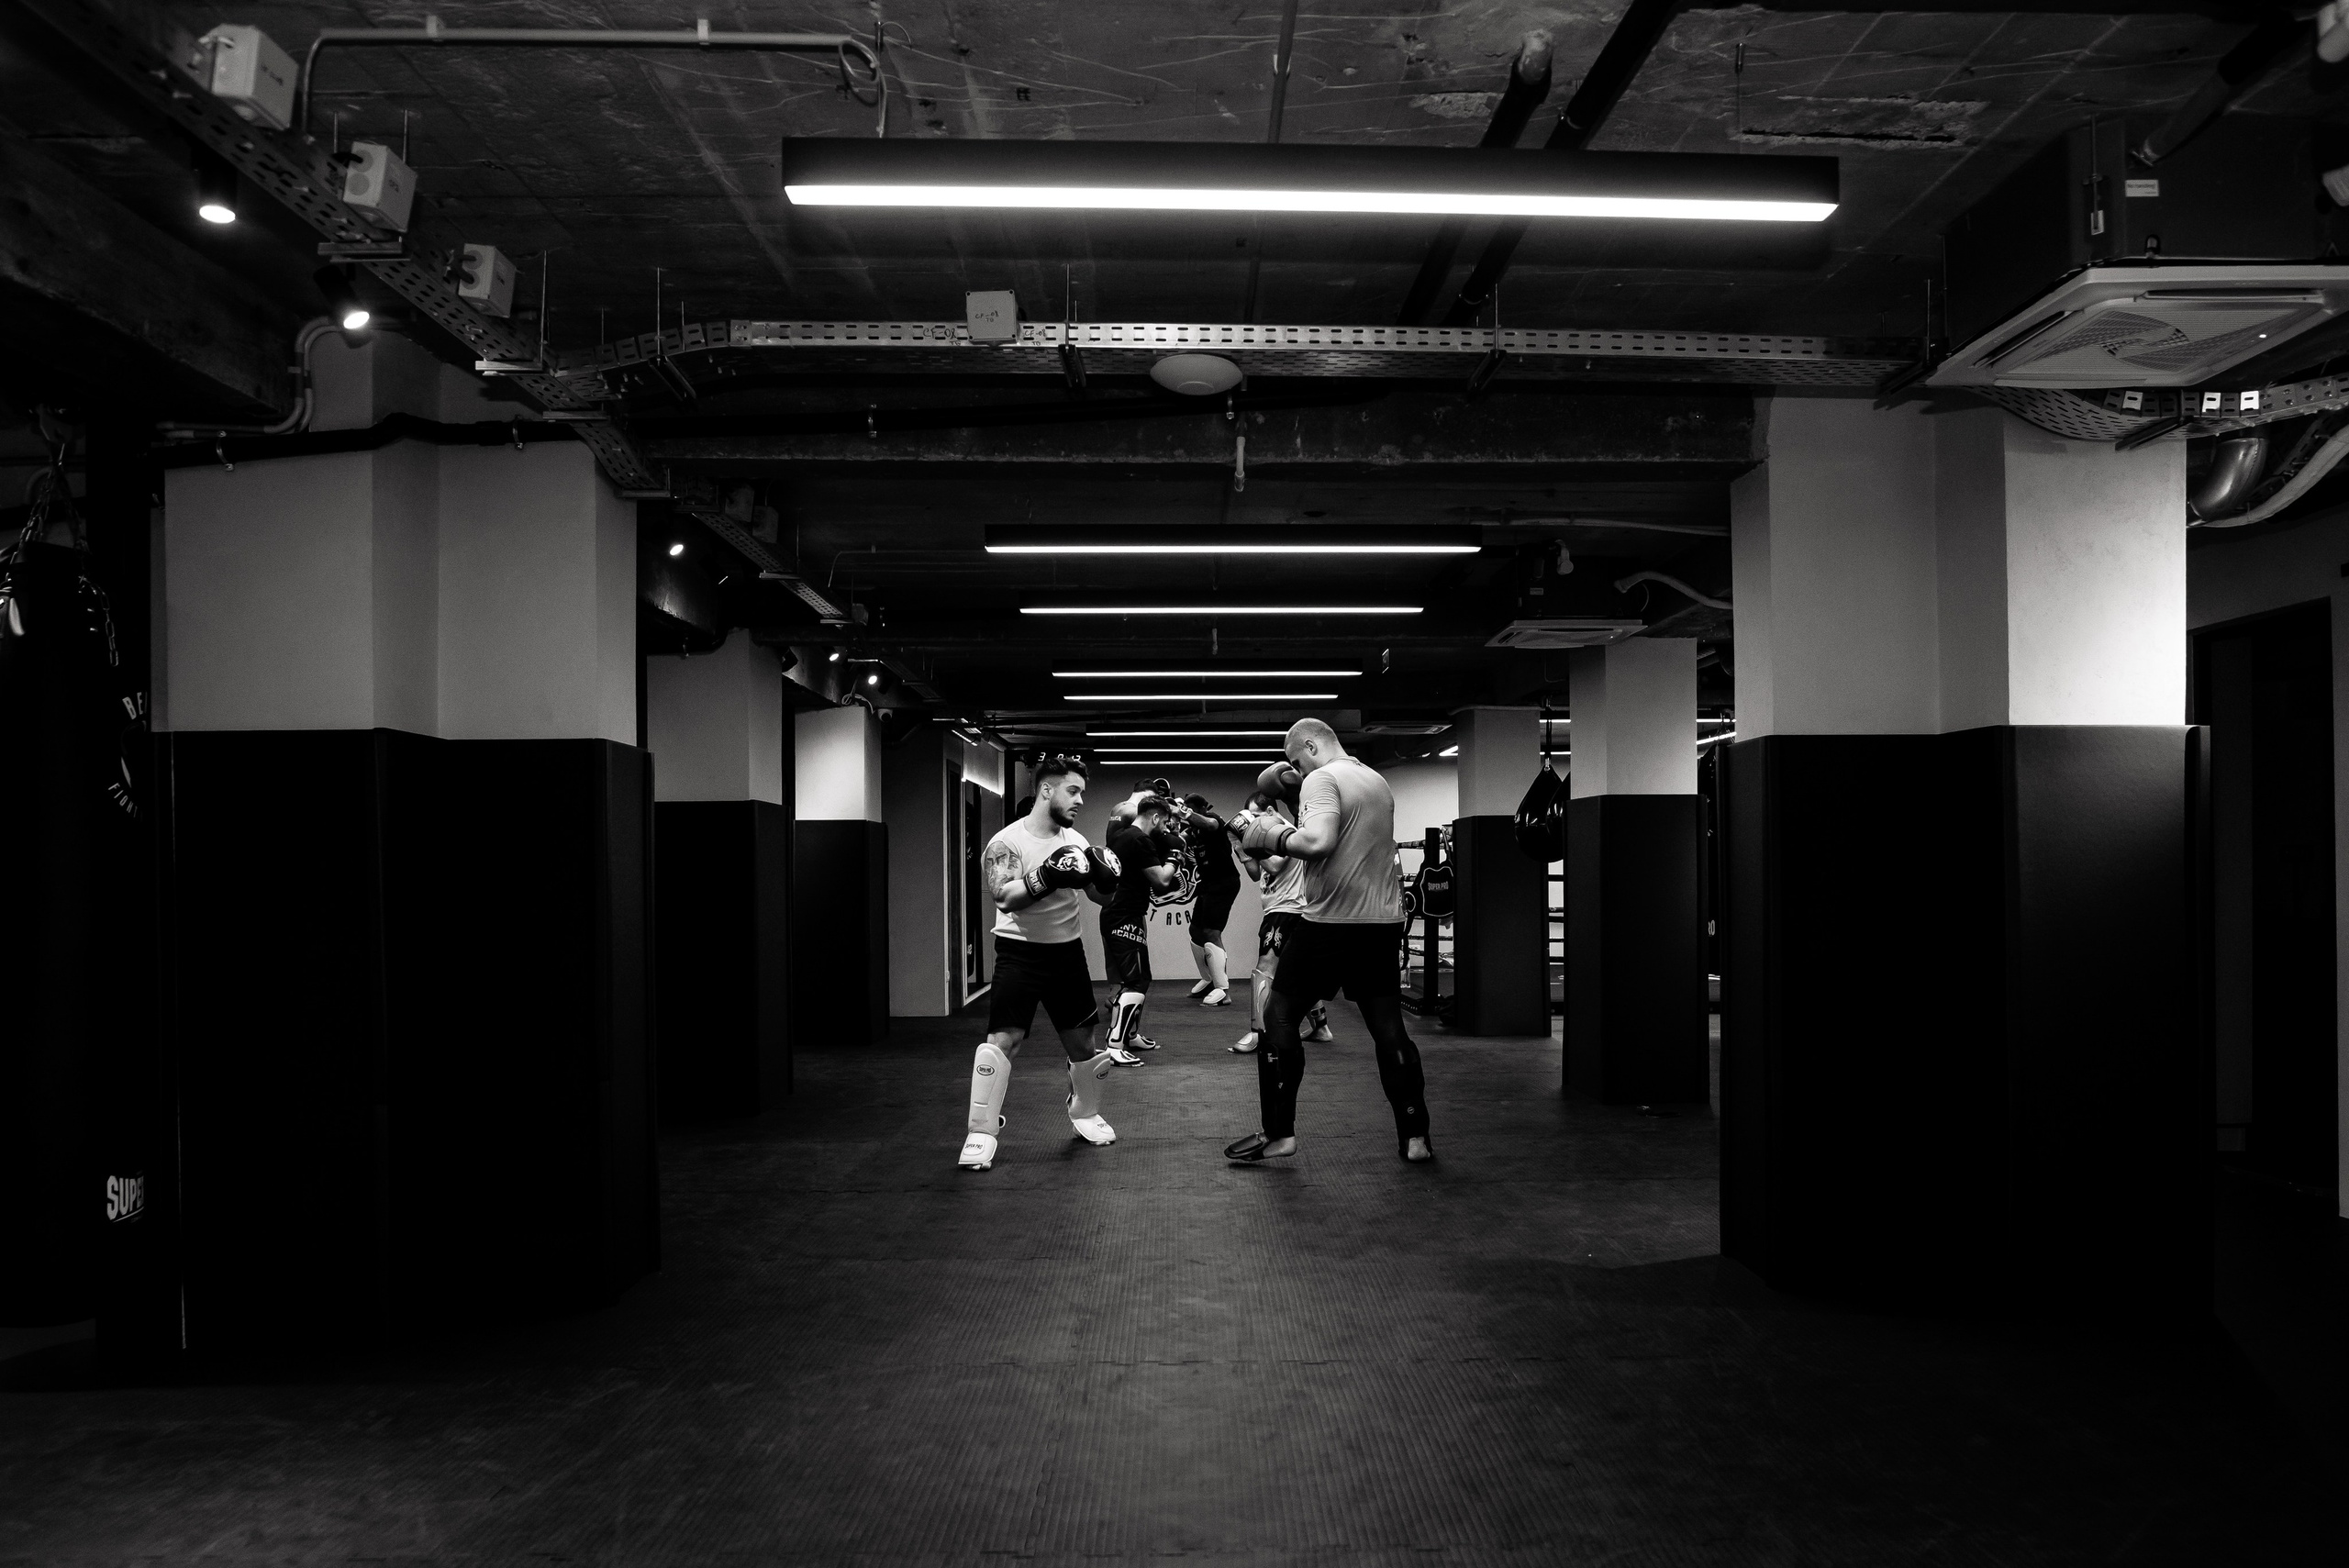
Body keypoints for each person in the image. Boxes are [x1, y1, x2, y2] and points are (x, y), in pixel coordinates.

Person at [1226, 719, 1434, 1164]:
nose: (1296, 772)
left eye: (1296, 762)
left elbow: (1319, 842)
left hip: (1330, 921)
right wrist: (1290, 807)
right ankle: (1416, 1137)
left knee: (1278, 1015)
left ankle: (1279, 1134)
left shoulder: (1321, 778)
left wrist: (1269, 833)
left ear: (1310, 746)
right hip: (1382, 922)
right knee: (1388, 1029)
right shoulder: (1376, 781)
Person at [959, 755, 1127, 1172]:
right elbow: (1004, 897)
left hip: (1066, 955)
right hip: (1020, 954)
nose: (1080, 800)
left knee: (1083, 1046)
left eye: (1082, 792)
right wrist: (1048, 875)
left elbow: (1099, 897)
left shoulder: (1077, 840)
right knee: (1002, 1042)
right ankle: (981, 1131)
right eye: (1073, 791)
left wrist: (1108, 880)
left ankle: (1084, 1113)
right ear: (1046, 790)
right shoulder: (1007, 842)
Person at [1230, 788, 1331, 1054]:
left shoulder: (1287, 833)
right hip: (1278, 908)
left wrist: (1249, 839)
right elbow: (1255, 873)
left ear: (1271, 811)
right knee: (1299, 973)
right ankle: (1321, 1027)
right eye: (1249, 820)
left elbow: (1274, 865)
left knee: (1265, 967)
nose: (1253, 823)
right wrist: (1240, 846)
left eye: (1256, 817)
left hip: (1287, 909)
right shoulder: (1264, 835)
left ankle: (1259, 1033)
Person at [1099, 795, 1179, 1061]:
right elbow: (1161, 881)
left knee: (1141, 979)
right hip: (1124, 916)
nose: (1165, 829)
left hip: (1121, 913)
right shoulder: (1141, 840)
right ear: (1155, 818)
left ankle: (1130, 1035)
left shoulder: (1120, 836)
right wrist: (1175, 858)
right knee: (1135, 981)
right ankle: (1114, 1046)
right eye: (1164, 823)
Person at [1179, 794, 1242, 1006]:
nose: (1188, 814)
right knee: (1196, 931)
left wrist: (1185, 813)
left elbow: (1210, 824)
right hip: (1207, 884)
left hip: (1224, 883)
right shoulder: (1193, 830)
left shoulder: (1213, 819)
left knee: (1211, 933)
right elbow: (1180, 839)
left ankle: (1223, 990)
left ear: (1202, 809)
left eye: (1191, 809)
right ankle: (1209, 980)